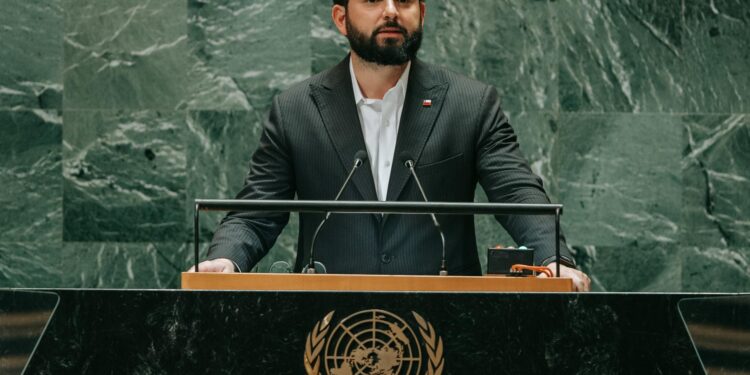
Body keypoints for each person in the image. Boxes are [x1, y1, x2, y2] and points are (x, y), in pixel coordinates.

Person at [189, 0, 591, 291]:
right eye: (372, 0)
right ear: (341, 19)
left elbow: (517, 193)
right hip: (329, 326)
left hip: (448, 326)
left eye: (404, 0)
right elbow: (256, 212)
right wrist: (226, 258)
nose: (392, 11)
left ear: (422, 13)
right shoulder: (296, 109)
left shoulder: (470, 104)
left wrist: (554, 258)